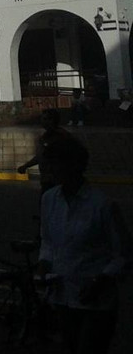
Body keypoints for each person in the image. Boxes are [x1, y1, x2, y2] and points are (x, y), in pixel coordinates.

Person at [38, 135, 128, 353]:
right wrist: (44, 263)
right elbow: (48, 240)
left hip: (95, 300)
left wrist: (101, 280)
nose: (53, 169)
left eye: (58, 163)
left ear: (76, 166)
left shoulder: (101, 205)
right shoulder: (49, 199)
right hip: (63, 295)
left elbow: (123, 254)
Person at [17, 108, 73, 195]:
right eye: (42, 119)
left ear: (53, 120)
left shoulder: (62, 137)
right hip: (47, 179)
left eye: (46, 119)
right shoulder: (44, 137)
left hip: (58, 179)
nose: (43, 122)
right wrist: (26, 166)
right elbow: (41, 156)